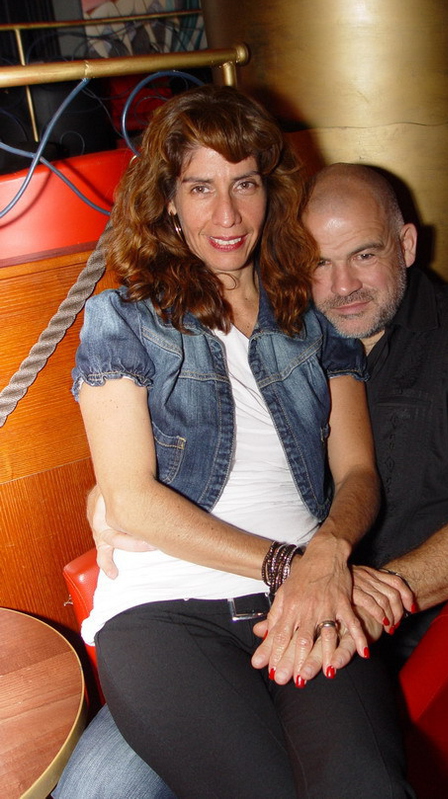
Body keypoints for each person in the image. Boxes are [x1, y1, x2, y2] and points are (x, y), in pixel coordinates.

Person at [54, 163, 448, 798]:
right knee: (95, 789)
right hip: (239, 610)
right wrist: (109, 495)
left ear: (406, 245)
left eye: (365, 255)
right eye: (318, 262)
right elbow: (195, 453)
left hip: (389, 627)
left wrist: (361, 595)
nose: (342, 285)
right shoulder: (287, 337)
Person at [62, 89, 414, 799]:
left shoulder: (312, 322)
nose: (227, 215)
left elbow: (358, 473)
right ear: (168, 201)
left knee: (365, 782)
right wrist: (290, 563)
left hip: (310, 599)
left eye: (244, 184)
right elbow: (131, 499)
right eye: (201, 187)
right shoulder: (121, 320)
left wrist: (327, 555)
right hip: (166, 613)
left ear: (269, 192)